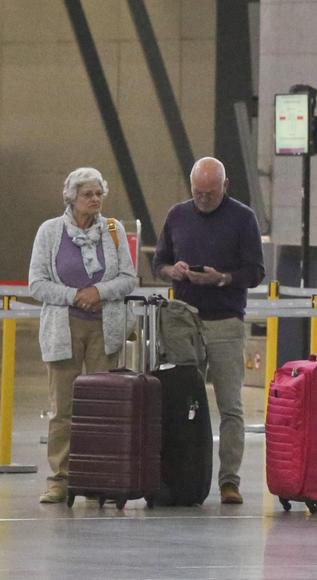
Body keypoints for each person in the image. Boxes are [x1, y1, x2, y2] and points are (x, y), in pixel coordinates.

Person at [153, 157, 266, 505]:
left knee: (230, 406)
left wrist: (221, 278)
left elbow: (256, 272)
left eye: (210, 193)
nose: (203, 199)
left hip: (225, 322)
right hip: (183, 321)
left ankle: (229, 480)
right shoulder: (177, 215)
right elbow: (158, 263)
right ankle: (183, 476)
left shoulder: (243, 218)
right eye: (197, 193)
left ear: (225, 186)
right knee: (181, 403)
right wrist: (173, 271)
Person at [29, 167, 139, 505]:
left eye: (98, 193)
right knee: (63, 408)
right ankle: (59, 480)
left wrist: (98, 292)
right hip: (64, 328)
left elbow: (128, 278)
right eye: (87, 194)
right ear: (71, 197)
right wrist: (75, 295)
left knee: (103, 407)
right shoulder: (50, 231)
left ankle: (99, 478)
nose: (95, 199)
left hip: (106, 328)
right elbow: (37, 283)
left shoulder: (113, 228)